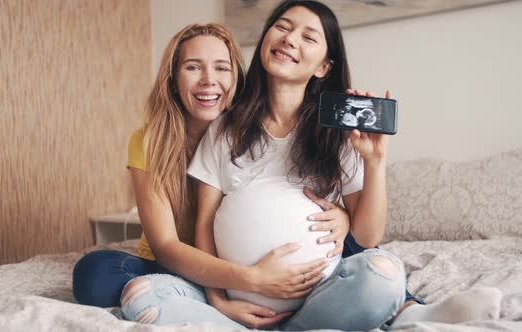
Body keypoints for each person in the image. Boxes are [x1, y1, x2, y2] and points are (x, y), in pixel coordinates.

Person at [121, 1, 502, 330]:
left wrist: (375, 163)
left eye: (308, 36)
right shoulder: (226, 127)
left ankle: (377, 313)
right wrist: (221, 296)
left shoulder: (336, 134)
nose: (289, 39)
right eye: (282, 27)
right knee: (141, 295)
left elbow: (367, 237)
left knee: (383, 275)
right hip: (240, 295)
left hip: (317, 293)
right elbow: (205, 222)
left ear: (324, 66)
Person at [72, 22, 351, 328]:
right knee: (94, 273)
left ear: (236, 78)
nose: (209, 81)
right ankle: (211, 309)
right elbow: (165, 245)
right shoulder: (149, 141)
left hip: (243, 256)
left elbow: (297, 195)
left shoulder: (259, 131)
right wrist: (239, 287)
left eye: (221, 68)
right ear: (172, 78)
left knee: (360, 248)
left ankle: (405, 302)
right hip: (177, 265)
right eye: (193, 67)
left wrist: (343, 216)